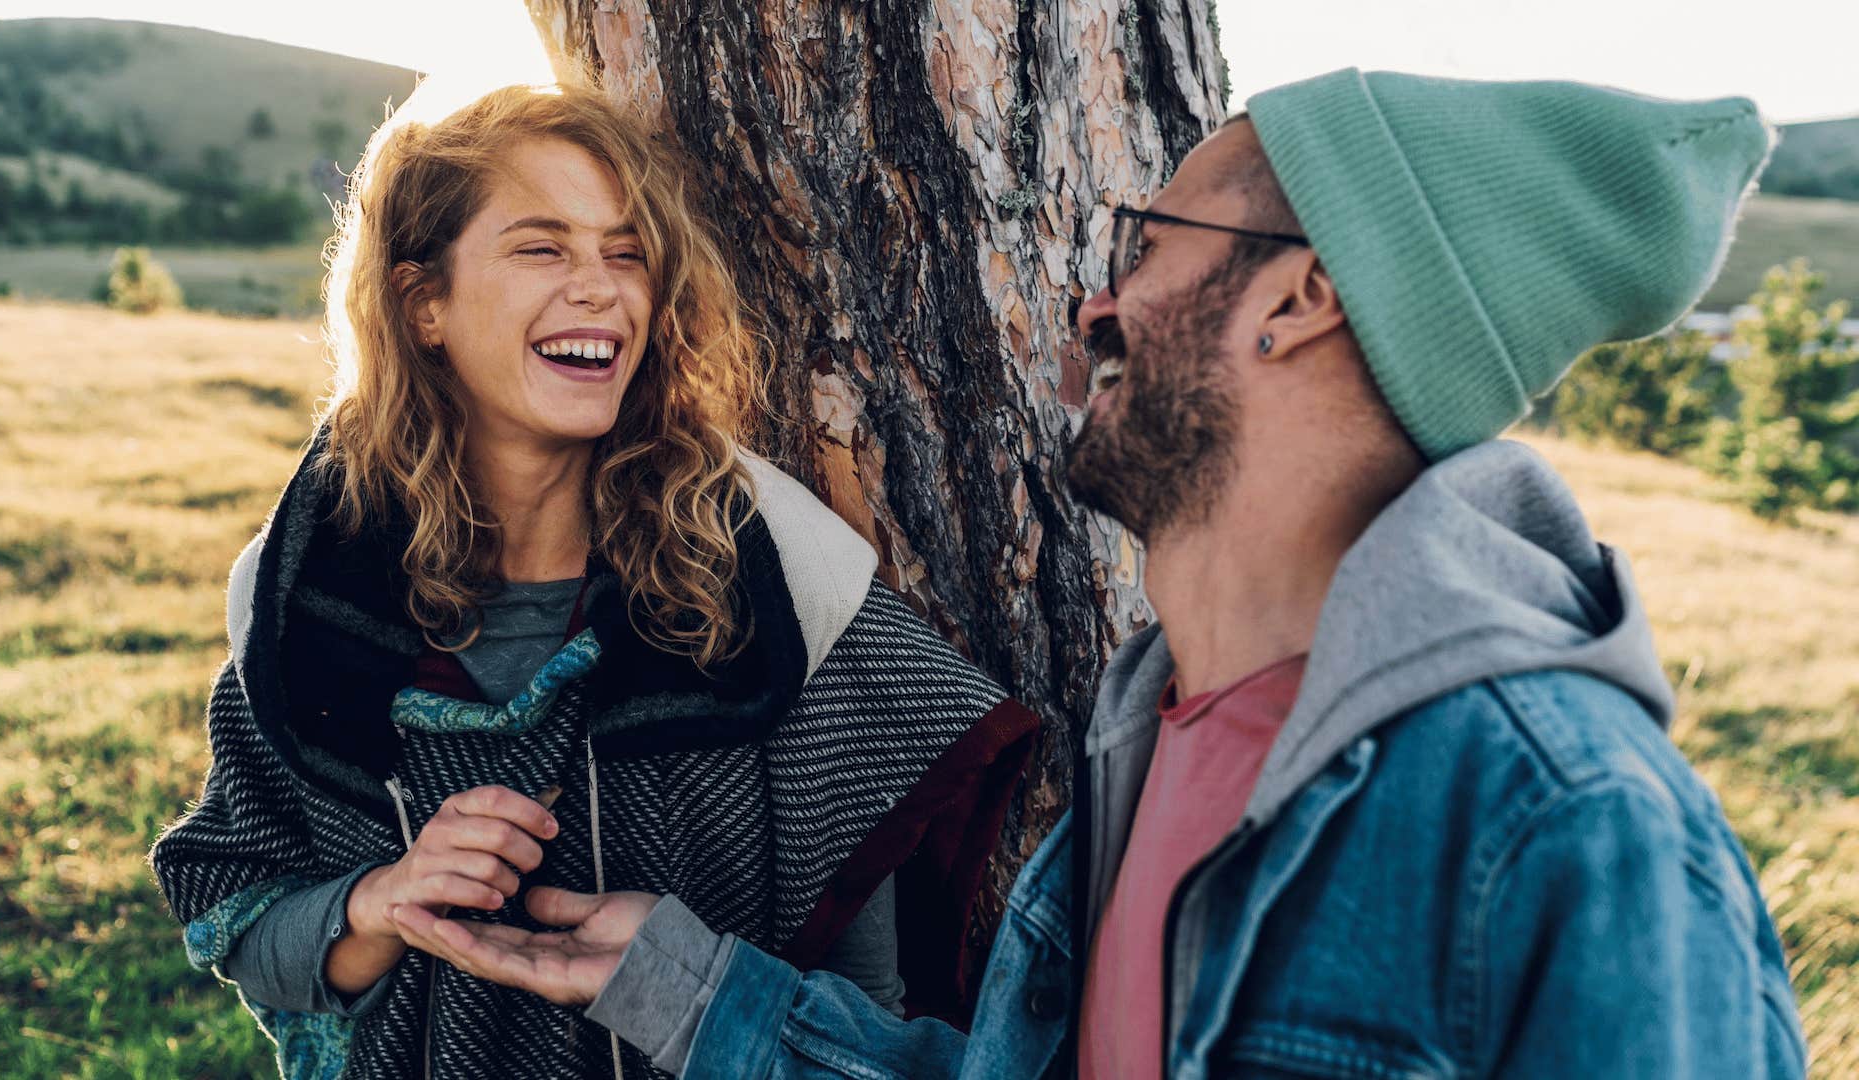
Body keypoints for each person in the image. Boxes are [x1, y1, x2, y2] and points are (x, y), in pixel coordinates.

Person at [387, 70, 1810, 1078]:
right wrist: (691, 993)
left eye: (1148, 241)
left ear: (1300, 297)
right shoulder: (1157, 739)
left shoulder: (1567, 826)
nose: (1090, 301)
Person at [147, 82, 1038, 1080]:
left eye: (625, 252)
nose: (601, 289)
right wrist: (384, 899)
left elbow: (856, 1002)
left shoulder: (778, 592)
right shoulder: (312, 600)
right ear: (422, 300)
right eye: (542, 247)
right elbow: (245, 920)